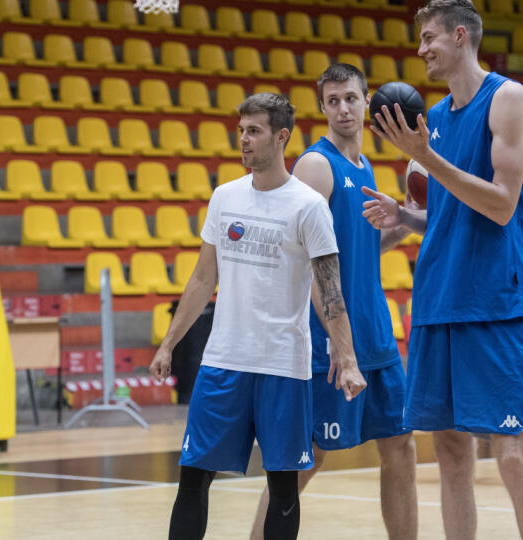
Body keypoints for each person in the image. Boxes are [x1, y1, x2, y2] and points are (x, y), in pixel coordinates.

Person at [361, 1, 523, 538]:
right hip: (436, 303)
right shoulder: (437, 118)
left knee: (512, 456)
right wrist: (407, 216)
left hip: (493, 302)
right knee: (449, 456)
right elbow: (449, 213)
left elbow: (500, 204)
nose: (421, 49)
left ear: (461, 36)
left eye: (429, 38)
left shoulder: (508, 99)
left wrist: (427, 157)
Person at [150, 93, 366, 540]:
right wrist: (169, 343)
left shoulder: (308, 206)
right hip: (223, 362)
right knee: (193, 477)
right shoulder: (224, 197)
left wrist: (346, 358)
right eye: (241, 131)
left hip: (283, 367)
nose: (243, 141)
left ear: (281, 136)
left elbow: (331, 292)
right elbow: (200, 279)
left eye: (254, 131)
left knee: (283, 487)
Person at [248, 64, 417, 540]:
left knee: (401, 447)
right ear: (322, 108)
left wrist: (404, 222)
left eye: (351, 98)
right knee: (309, 455)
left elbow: (355, 247)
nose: (344, 108)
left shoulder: (365, 167)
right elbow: (305, 261)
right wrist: (339, 346)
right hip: (330, 336)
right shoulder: (316, 166)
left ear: (367, 103)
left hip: (376, 329)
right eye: (334, 100)